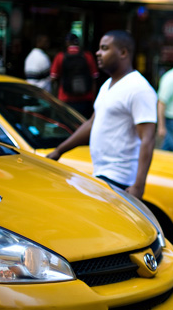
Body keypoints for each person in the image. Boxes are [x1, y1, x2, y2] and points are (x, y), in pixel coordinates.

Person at [46, 30, 157, 200]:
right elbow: (92, 123)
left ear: (123, 52)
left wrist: (138, 186)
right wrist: (59, 151)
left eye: (104, 48)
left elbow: (148, 139)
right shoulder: (107, 85)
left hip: (119, 180)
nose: (98, 53)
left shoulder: (139, 88)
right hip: (102, 174)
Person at [50, 33, 99, 118]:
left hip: (65, 98)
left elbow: (53, 78)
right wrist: (93, 100)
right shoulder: (88, 56)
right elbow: (94, 78)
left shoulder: (60, 56)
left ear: (67, 43)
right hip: (86, 99)